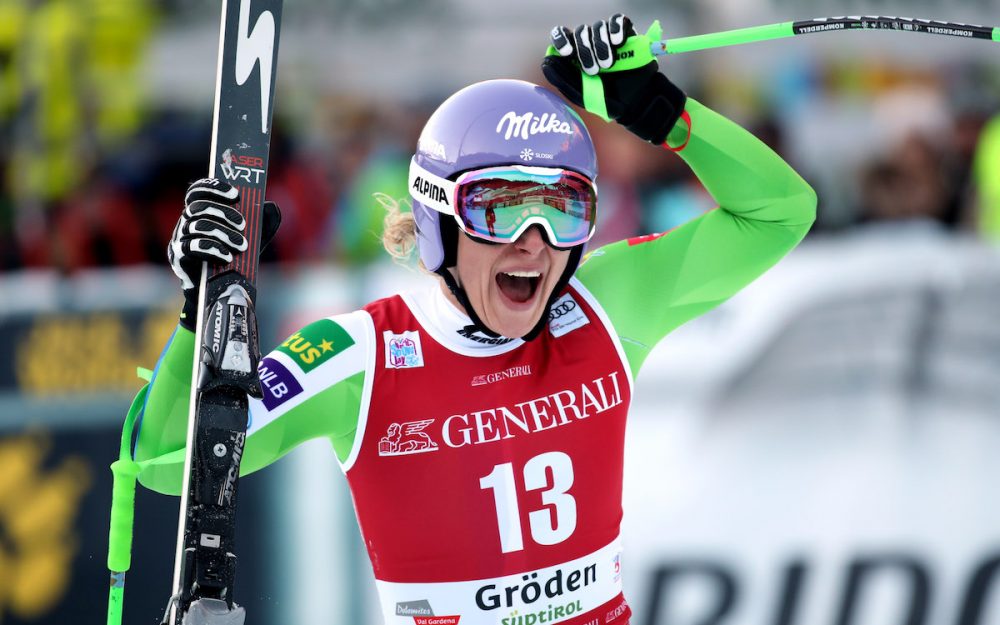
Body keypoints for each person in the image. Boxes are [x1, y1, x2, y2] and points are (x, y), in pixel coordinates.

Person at [128, 15, 816, 625]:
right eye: (502, 208)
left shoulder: (605, 305)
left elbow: (782, 212)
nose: (536, 240)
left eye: (565, 208)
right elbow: (165, 467)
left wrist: (667, 116)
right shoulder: (358, 355)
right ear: (438, 218)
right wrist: (199, 313)